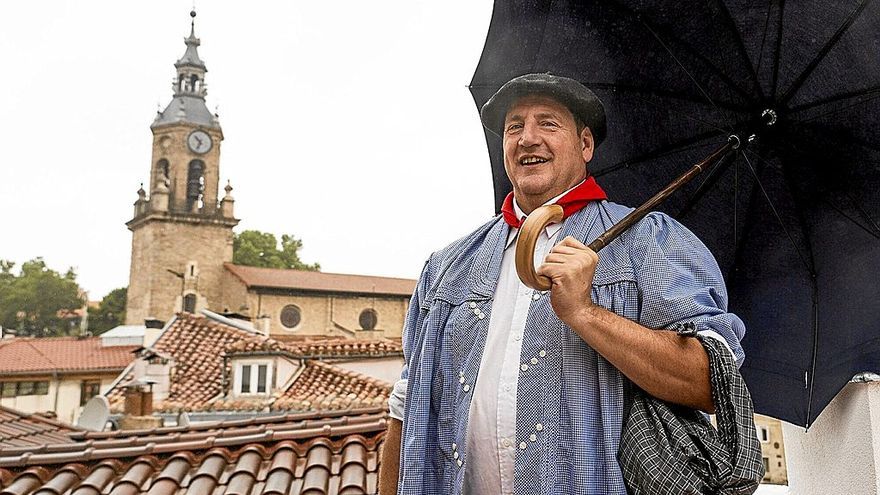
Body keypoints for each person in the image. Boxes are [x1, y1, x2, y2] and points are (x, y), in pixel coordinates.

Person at [379, 73, 745, 495]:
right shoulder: (446, 266)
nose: (527, 138)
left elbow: (710, 383)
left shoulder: (649, 241)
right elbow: (407, 405)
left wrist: (586, 313)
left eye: (548, 123)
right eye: (514, 126)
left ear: (585, 145)